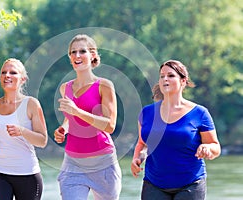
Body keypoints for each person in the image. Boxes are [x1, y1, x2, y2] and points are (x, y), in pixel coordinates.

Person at [131, 60, 221, 200]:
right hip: (154, 184)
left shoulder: (200, 113)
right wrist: (137, 157)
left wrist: (207, 148)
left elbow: (215, 147)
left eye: (171, 75)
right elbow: (143, 144)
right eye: (162, 76)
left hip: (190, 184)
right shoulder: (147, 113)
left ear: (183, 81)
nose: (165, 79)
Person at [54, 34, 122, 200]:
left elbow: (110, 125)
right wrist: (64, 128)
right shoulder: (65, 88)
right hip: (73, 163)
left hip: (103, 162)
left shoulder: (104, 85)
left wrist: (77, 111)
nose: (77, 56)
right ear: (70, 57)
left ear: (93, 55)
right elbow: (70, 119)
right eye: (73, 52)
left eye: (82, 51)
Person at [0, 58, 48, 200]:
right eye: (3, 72)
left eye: (13, 72)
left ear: (23, 79)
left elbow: (42, 140)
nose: (7, 75)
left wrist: (22, 131)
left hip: (27, 174)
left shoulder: (31, 104)